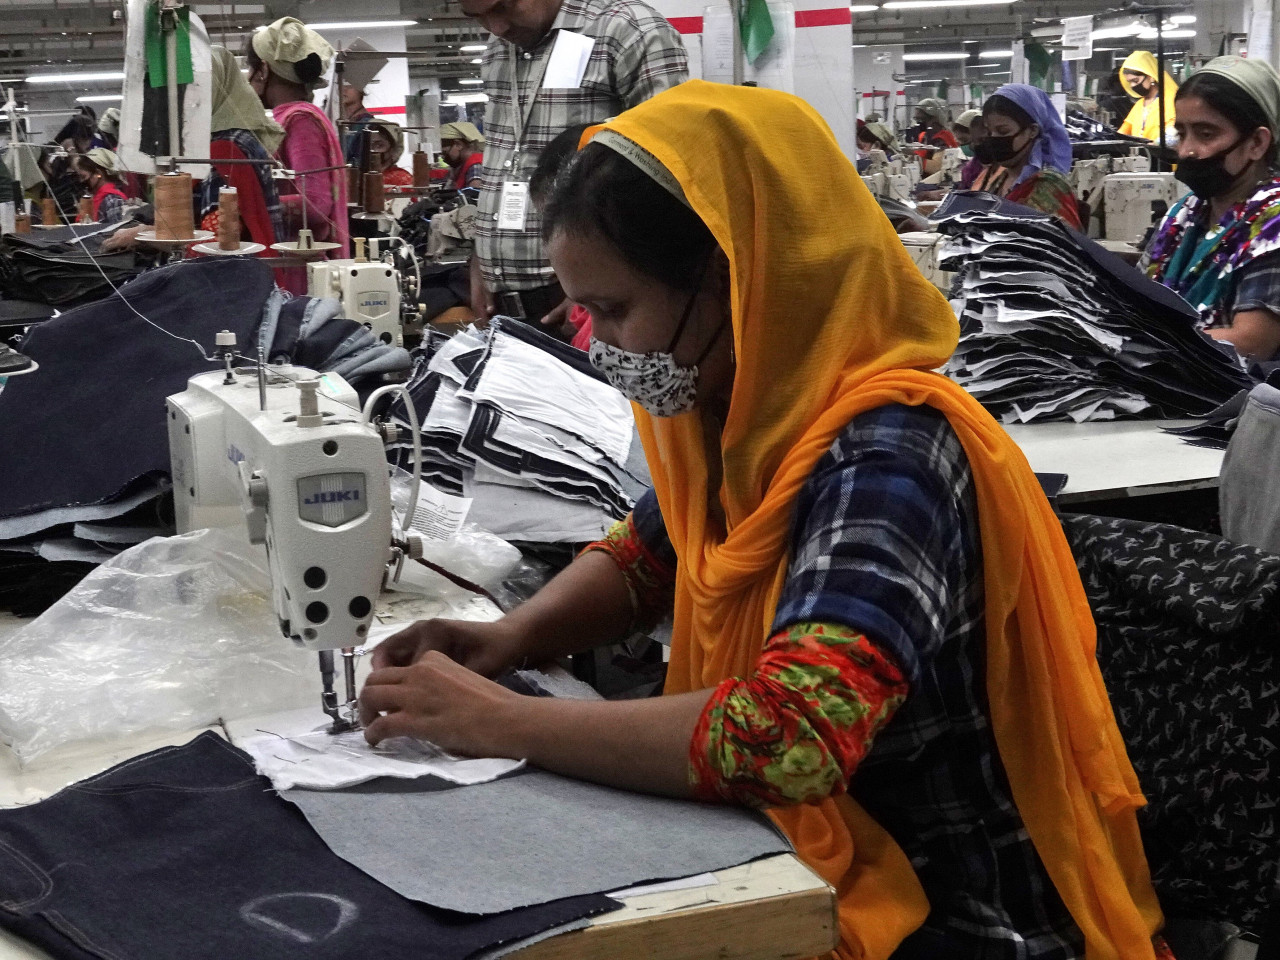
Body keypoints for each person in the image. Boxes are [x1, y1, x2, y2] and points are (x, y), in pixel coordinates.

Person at [356, 81, 1176, 960]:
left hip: (946, 903)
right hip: (798, 850)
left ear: (731, 276)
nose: (598, 343)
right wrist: (505, 643)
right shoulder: (743, 410)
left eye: (620, 309)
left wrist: (500, 720)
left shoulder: (889, 450)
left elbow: (792, 739)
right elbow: (648, 555)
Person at [461, 0, 688, 328]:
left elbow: (669, 175)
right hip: (508, 307)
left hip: (595, 308)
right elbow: (504, 158)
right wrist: (483, 256)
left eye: (503, 6)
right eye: (477, 17)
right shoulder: (499, 50)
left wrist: (593, 287)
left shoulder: (627, 30)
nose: (496, 28)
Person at [1145, 57, 1280, 362]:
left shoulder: (1273, 226)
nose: (1187, 151)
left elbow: (1251, 342)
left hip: (1239, 399)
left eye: (1206, 134)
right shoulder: (1184, 214)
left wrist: (1143, 339)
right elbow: (1137, 296)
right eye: (1182, 133)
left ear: (1257, 143)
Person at [247, 16, 350, 290]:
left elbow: (315, 203)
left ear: (264, 70)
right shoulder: (289, 118)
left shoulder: (300, 121)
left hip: (300, 273)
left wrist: (250, 207)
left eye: (251, 67)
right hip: (292, 261)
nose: (248, 76)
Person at [197, 45, 286, 253]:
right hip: (260, 270)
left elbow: (218, 240)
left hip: (235, 278)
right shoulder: (243, 138)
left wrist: (150, 238)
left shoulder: (223, 148)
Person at [971, 84, 1082, 229]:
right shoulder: (1001, 179)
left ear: (1032, 131)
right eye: (990, 132)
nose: (994, 139)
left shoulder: (1048, 186)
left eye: (1003, 132)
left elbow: (1060, 246)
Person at [1118, 51, 1178, 145]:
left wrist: (1154, 145)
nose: (1133, 85)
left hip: (1164, 158)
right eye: (1129, 82)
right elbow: (1123, 131)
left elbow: (1174, 133)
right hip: (1143, 157)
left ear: (1151, 77)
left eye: (1135, 80)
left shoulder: (1171, 100)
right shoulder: (1139, 105)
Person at [73, 148, 128, 223]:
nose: (82, 181)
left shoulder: (112, 200)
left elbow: (117, 231)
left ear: (98, 173)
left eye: (84, 176)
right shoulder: (95, 199)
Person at [908, 97, 957, 175]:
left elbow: (935, 167)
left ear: (934, 119)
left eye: (922, 120)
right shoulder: (924, 136)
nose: (918, 124)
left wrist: (915, 159)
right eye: (917, 120)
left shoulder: (942, 139)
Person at [439, 121, 486, 191]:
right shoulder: (462, 166)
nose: (443, 158)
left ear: (458, 144)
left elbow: (474, 196)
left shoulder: (476, 166)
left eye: (445, 152)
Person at [366, 120, 414, 187]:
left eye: (379, 145)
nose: (373, 150)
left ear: (393, 148)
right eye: (369, 145)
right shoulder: (357, 177)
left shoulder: (401, 180)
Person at [341, 81, 378, 162]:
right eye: (341, 85)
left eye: (349, 86)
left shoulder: (367, 123)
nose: (344, 89)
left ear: (360, 91)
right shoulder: (344, 121)